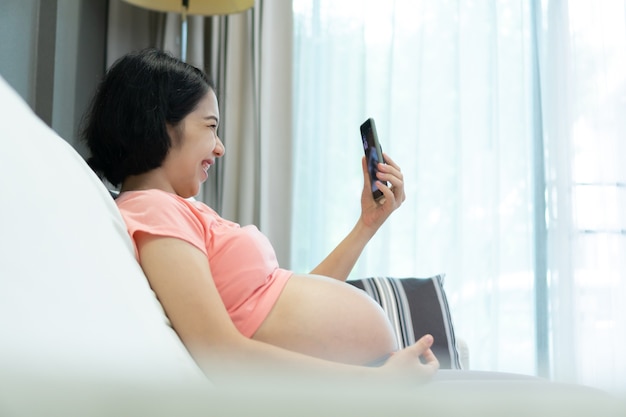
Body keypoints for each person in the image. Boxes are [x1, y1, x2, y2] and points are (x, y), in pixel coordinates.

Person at [81, 48, 438, 383]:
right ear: (161, 124)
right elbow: (218, 351)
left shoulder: (175, 210)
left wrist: (367, 224)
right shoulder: (153, 210)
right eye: (210, 127)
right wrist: (380, 382)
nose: (220, 148)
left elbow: (287, 307)